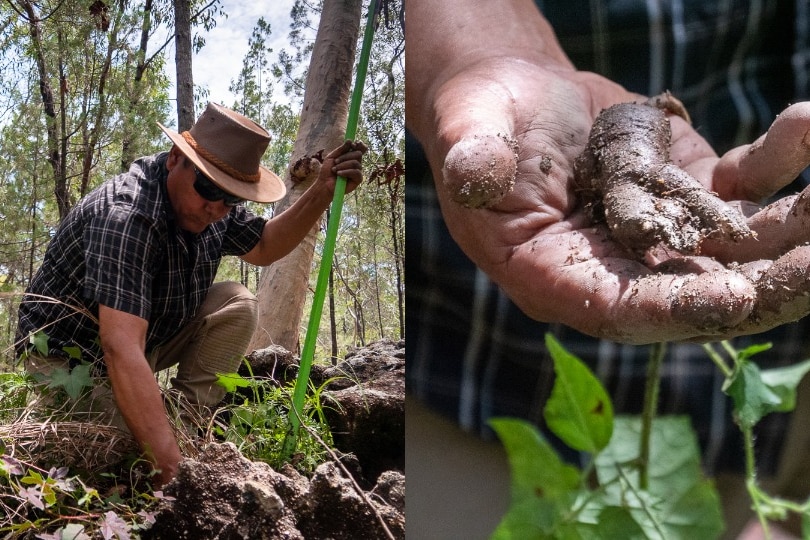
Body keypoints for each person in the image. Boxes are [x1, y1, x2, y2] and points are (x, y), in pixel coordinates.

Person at [406, 1, 810, 538]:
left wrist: (723, 221)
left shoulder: (648, 167)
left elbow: (683, 190)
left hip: (735, 430)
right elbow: (662, 196)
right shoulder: (624, 195)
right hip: (472, 373)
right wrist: (482, 48)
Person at [15, 102, 367, 488]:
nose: (216, 207)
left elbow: (265, 246)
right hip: (65, 357)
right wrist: (178, 482)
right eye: (207, 188)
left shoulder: (215, 210)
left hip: (143, 340)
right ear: (173, 161)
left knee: (236, 302)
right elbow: (120, 346)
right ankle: (171, 457)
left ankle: (184, 427)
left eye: (231, 197)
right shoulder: (126, 216)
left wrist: (321, 191)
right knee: (123, 458)